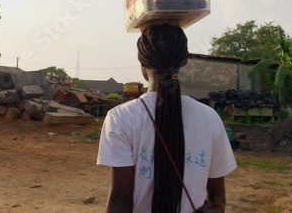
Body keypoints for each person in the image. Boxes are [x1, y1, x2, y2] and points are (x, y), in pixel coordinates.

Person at [97, 24, 237, 213]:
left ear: (142, 63)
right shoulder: (209, 117)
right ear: (183, 62)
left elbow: (121, 199)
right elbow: (218, 196)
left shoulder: (121, 118)